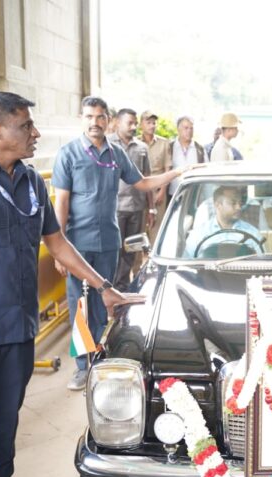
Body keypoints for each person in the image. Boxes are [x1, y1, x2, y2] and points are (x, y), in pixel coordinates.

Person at [0, 91, 142, 477]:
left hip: (17, 327)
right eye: (26, 125)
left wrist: (104, 285)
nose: (36, 133)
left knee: (4, 417)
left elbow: (57, 242)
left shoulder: (29, 179)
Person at [53, 96, 185, 391]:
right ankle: (81, 367)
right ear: (82, 118)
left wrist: (176, 173)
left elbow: (142, 183)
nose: (94, 122)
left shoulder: (116, 154)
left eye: (100, 117)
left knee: (104, 299)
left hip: (109, 241)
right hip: (76, 244)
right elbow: (61, 203)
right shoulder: (68, 154)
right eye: (89, 117)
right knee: (79, 304)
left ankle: (97, 357)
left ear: (108, 120)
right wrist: (58, 250)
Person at [107, 108, 154, 292]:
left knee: (131, 251)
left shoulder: (141, 147)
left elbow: (147, 178)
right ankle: (111, 287)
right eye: (130, 123)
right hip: (115, 208)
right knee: (115, 250)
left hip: (136, 208)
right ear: (118, 122)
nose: (134, 126)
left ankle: (124, 287)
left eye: (135, 123)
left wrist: (151, 209)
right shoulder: (108, 144)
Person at [184, 186, 261, 257]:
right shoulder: (199, 234)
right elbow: (187, 262)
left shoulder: (252, 233)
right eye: (233, 203)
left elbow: (262, 263)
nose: (238, 207)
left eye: (240, 203)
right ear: (218, 205)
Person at [139, 110, 172, 243]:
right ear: (141, 124)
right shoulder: (135, 144)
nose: (152, 126)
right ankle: (136, 263)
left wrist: (162, 192)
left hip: (158, 191)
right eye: (148, 122)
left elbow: (167, 168)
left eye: (154, 123)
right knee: (139, 229)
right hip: (140, 191)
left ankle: (155, 261)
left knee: (157, 230)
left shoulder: (164, 143)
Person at [170, 115, 208, 197]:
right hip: (173, 194)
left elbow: (206, 171)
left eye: (191, 128)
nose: (189, 131)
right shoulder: (170, 147)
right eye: (186, 128)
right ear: (178, 129)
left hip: (194, 194)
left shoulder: (199, 149)